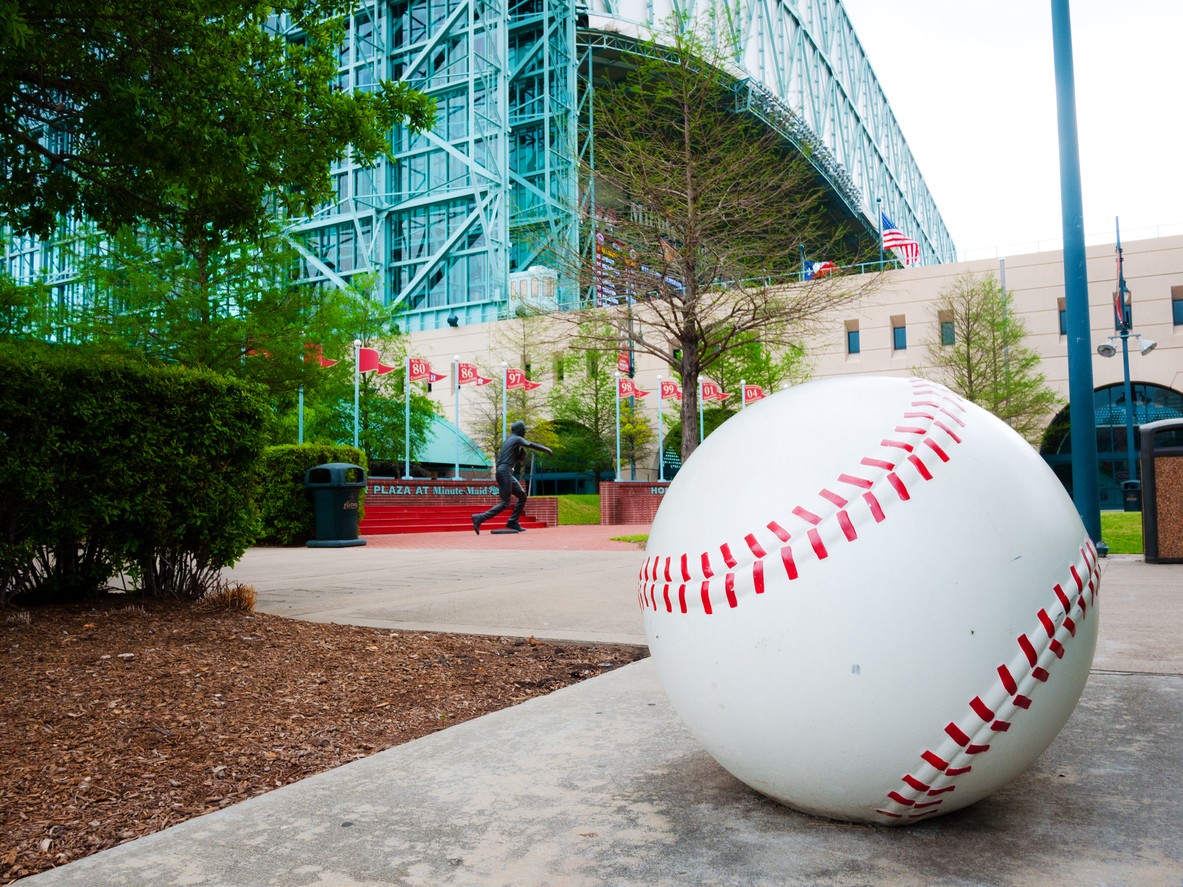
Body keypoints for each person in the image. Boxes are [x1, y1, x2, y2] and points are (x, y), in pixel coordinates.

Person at [472, 421, 552, 534]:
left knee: (522, 496)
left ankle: (513, 521)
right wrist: (546, 449)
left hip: (506, 470)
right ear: (520, 430)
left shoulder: (509, 440)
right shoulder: (516, 439)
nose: (525, 432)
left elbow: (511, 459)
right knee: (505, 502)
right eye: (524, 430)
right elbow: (531, 444)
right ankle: (480, 517)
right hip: (504, 471)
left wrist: (520, 457)